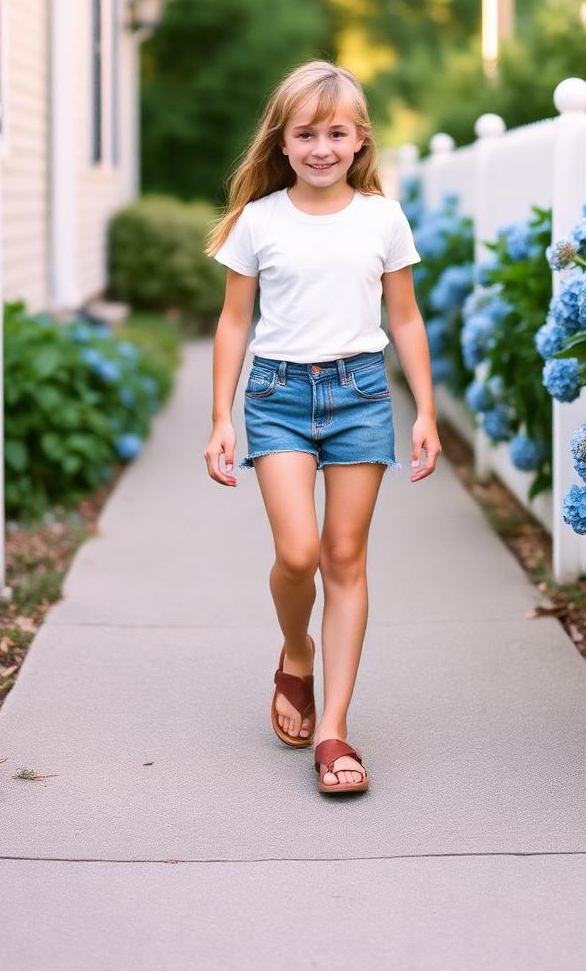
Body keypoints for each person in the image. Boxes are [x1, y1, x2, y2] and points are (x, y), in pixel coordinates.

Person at [203, 59, 441, 795]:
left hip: (360, 394)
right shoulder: (259, 220)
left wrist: (426, 411)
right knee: (298, 552)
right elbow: (233, 322)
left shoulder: (382, 218)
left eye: (336, 133)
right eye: (305, 133)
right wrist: (220, 417)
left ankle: (334, 730)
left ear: (361, 138)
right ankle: (296, 650)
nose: (321, 148)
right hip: (276, 395)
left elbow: (405, 317)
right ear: (282, 141)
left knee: (344, 556)